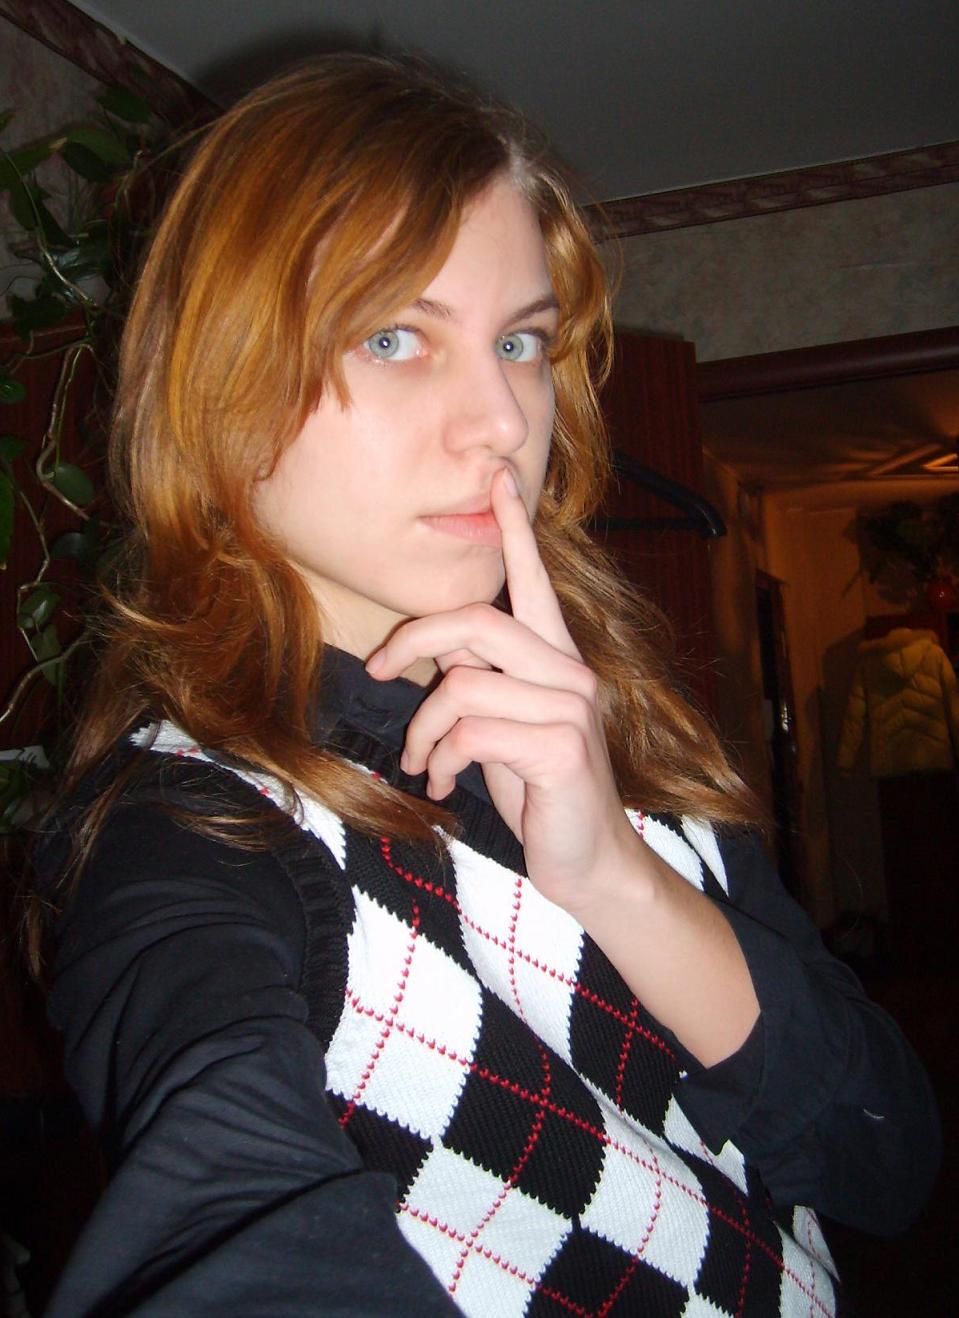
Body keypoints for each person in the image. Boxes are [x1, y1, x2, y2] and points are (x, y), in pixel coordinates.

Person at [33, 53, 939, 1317]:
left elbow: (883, 1161)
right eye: (392, 336)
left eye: (517, 342)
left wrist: (615, 873)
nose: (504, 422)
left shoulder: (602, 717)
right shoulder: (193, 836)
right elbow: (228, 1212)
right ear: (219, 381)